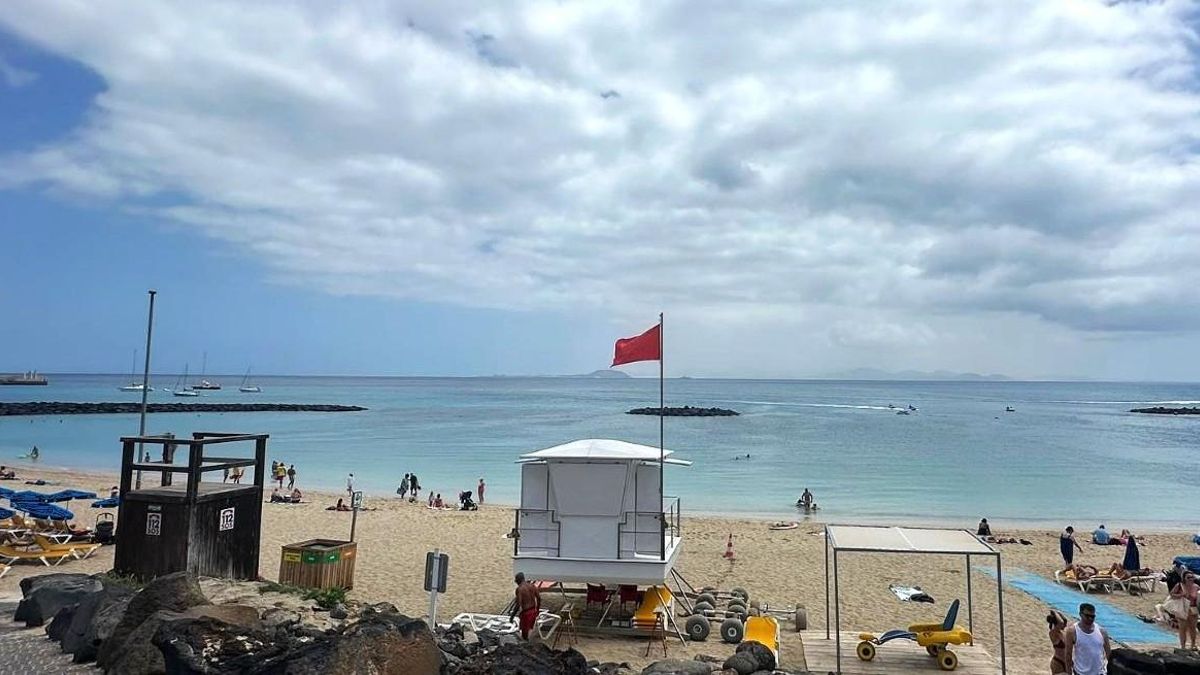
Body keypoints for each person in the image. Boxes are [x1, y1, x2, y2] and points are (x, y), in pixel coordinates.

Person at [1062, 602, 1110, 675]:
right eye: (1087, 616)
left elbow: (1109, 655)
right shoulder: (1072, 631)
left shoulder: (1102, 631)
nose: (1090, 618)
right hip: (1080, 673)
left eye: (1092, 616)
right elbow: (1068, 655)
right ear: (1080, 614)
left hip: (1100, 673)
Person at [1168, 570, 1198, 649]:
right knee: (1182, 629)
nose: (1191, 579)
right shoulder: (1179, 585)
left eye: (1192, 577)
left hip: (1193, 609)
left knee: (1193, 628)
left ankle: (1193, 644)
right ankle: (1183, 646)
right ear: (1184, 578)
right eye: (1188, 577)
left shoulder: (1196, 587)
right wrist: (1181, 595)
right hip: (1182, 609)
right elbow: (1171, 594)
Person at [508, 572, 541, 640]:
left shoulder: (519, 589)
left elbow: (518, 604)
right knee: (529, 630)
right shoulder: (532, 586)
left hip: (526, 614)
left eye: (516, 580)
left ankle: (526, 644)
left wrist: (512, 616)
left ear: (519, 580)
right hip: (533, 611)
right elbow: (539, 598)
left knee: (524, 635)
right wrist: (537, 609)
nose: (516, 582)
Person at [1046, 610, 1069, 674]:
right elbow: (1061, 622)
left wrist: (1060, 613)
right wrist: (1054, 612)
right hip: (1058, 662)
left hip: (1066, 662)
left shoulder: (1063, 633)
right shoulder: (1052, 633)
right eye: (1065, 624)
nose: (1065, 626)